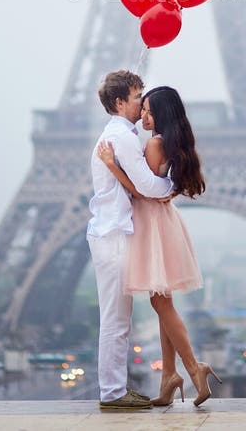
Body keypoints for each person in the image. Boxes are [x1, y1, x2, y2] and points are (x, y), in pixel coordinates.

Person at [97, 85, 222, 408]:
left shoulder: (154, 143)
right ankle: (169, 376)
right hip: (164, 222)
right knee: (161, 299)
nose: (144, 115)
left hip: (151, 225)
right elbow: (164, 189)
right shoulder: (172, 143)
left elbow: (143, 192)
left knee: (160, 303)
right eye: (143, 107)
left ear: (162, 114)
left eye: (150, 110)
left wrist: (112, 166)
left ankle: (194, 368)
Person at [87, 70, 173, 411]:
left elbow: (136, 186)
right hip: (113, 236)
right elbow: (147, 186)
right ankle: (112, 393)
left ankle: (115, 389)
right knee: (116, 319)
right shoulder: (121, 138)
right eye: (138, 97)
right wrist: (173, 189)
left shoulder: (120, 135)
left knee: (119, 319)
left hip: (113, 233)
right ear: (120, 101)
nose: (142, 103)